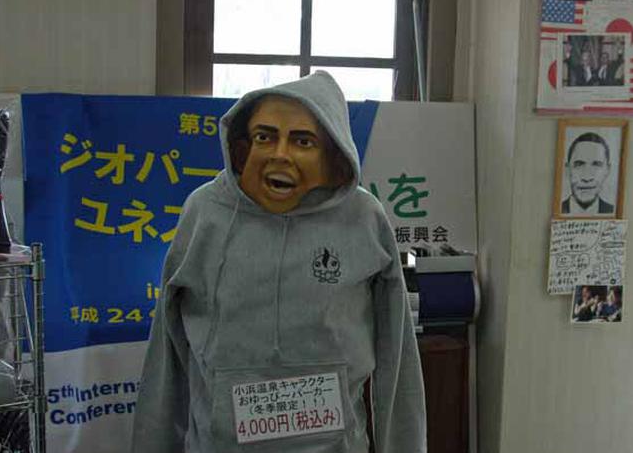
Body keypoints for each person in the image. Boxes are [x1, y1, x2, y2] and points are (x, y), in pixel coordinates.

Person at [131, 71, 427, 452]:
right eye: (264, 137)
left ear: (331, 153)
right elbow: (166, 356)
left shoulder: (363, 218)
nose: (280, 154)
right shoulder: (205, 213)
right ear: (243, 145)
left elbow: (397, 358)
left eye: (302, 141)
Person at [561, 132, 615, 215]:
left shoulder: (613, 212)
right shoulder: (555, 210)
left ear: (607, 170)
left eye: (596, 165)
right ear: (567, 170)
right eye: (579, 164)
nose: (587, 178)